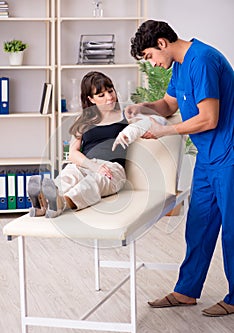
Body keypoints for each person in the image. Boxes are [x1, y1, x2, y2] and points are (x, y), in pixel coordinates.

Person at [126, 20, 234, 317]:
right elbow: (168, 106)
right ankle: (186, 291)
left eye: (149, 56)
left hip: (229, 154)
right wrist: (142, 108)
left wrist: (163, 133)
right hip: (208, 157)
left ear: (162, 43)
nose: (152, 63)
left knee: (232, 231)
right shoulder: (179, 66)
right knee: (198, 224)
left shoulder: (203, 61)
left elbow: (209, 119)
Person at [28, 71, 128, 218]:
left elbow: (146, 123)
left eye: (110, 91)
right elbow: (73, 153)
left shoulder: (126, 115)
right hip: (86, 165)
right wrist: (94, 166)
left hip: (112, 169)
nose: (110, 97)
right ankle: (42, 205)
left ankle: (61, 203)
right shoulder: (83, 120)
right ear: (91, 99)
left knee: (91, 183)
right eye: (101, 95)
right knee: (68, 175)